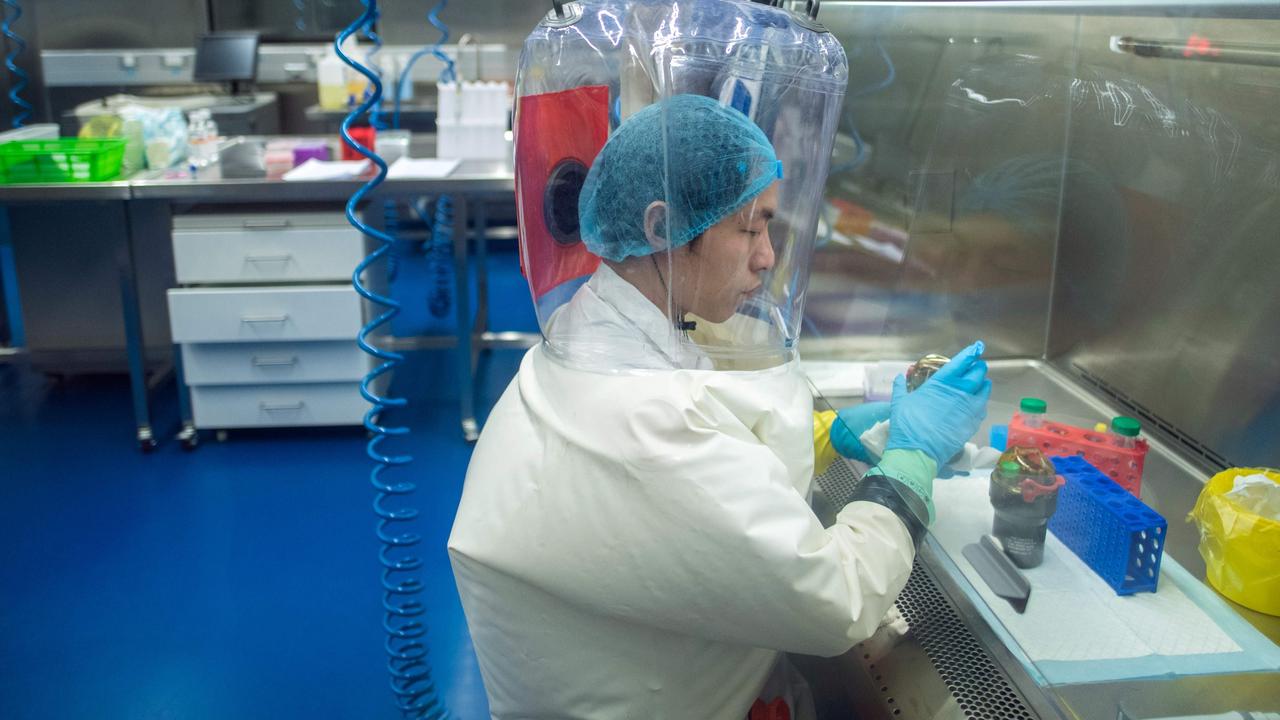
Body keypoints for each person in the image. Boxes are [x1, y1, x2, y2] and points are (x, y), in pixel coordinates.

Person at [448, 94, 990, 720]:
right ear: (660, 227)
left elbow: (685, 473)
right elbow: (838, 598)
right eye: (749, 227)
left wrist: (822, 434)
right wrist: (910, 463)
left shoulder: (599, 329)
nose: (767, 255)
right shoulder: (647, 425)